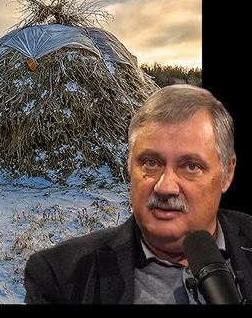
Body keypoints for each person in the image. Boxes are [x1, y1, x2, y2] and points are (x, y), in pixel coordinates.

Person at [24, 84, 252, 304]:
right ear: (129, 167)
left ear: (227, 173)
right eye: (151, 163)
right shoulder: (60, 276)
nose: (165, 187)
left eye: (191, 166)